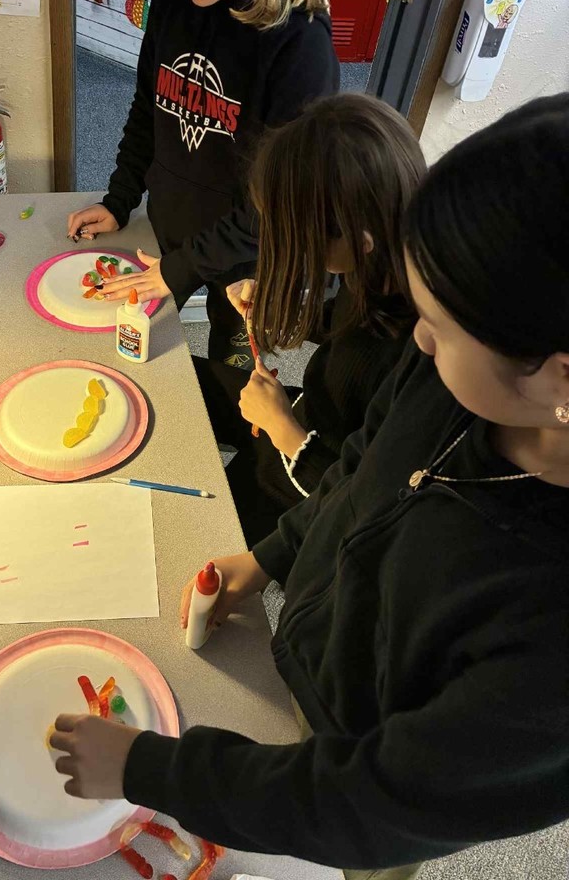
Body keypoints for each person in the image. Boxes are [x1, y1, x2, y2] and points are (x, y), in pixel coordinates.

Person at [50, 94, 569, 879]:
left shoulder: (547, 641)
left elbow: (369, 807)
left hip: (359, 781)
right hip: (314, 659)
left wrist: (150, 771)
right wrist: (271, 557)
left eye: (441, 327)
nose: (418, 342)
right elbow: (364, 471)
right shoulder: (448, 382)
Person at [66, 0, 340, 365]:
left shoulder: (300, 45)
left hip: (248, 263)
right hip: (171, 227)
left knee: (233, 384)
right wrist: (120, 197)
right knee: (141, 360)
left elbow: (281, 205)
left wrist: (183, 267)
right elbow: (150, 103)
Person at [194, 93, 423, 547]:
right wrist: (291, 310)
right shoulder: (381, 261)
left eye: (295, 234)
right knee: (182, 384)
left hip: (310, 481)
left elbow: (368, 500)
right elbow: (345, 321)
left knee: (197, 545)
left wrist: (282, 429)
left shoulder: (417, 350)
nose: (286, 245)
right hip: (302, 415)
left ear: (358, 240)